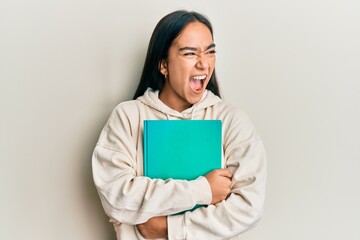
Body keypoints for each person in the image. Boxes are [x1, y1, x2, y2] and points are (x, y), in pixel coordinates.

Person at [92, 10, 267, 240]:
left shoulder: (232, 121)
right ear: (163, 64)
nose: (204, 63)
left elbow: (248, 207)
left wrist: (169, 228)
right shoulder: (127, 117)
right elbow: (115, 196)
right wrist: (203, 190)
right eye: (190, 53)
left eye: (210, 52)